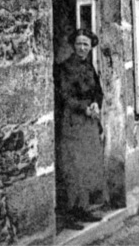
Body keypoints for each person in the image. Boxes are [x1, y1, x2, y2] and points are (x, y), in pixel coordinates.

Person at [55, 28, 105, 229]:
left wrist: (95, 104)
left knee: (86, 166)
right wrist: (84, 108)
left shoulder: (89, 66)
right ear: (73, 46)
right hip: (73, 121)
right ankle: (69, 215)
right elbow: (65, 96)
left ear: (91, 46)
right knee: (72, 167)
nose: (82, 48)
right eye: (79, 44)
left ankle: (83, 209)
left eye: (86, 44)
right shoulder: (65, 68)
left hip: (89, 121)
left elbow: (98, 91)